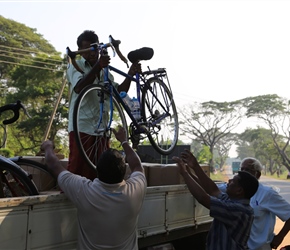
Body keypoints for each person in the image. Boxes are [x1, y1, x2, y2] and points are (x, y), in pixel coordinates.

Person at [41, 126, 147, 250]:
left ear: (97, 171)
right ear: (124, 173)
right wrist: (124, 141)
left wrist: (48, 146)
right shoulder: (135, 191)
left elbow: (53, 165)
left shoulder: (84, 191)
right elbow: (137, 166)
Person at [67, 30, 141, 180]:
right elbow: (80, 87)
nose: (91, 53)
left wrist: (130, 74)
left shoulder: (105, 70)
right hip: (82, 126)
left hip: (102, 129)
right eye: (86, 50)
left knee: (101, 172)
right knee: (78, 169)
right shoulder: (76, 66)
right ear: (80, 52)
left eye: (93, 48)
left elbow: (118, 92)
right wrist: (98, 67)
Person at [172, 150, 259, 250]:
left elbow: (203, 198)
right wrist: (194, 166)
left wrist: (185, 173)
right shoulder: (232, 201)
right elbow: (212, 190)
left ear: (239, 190)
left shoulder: (238, 210)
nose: (229, 181)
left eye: (233, 181)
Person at [238, 157, 290, 250]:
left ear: (257, 174)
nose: (244, 172)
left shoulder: (267, 193)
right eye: (242, 169)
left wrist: (279, 238)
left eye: (248, 170)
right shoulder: (235, 191)